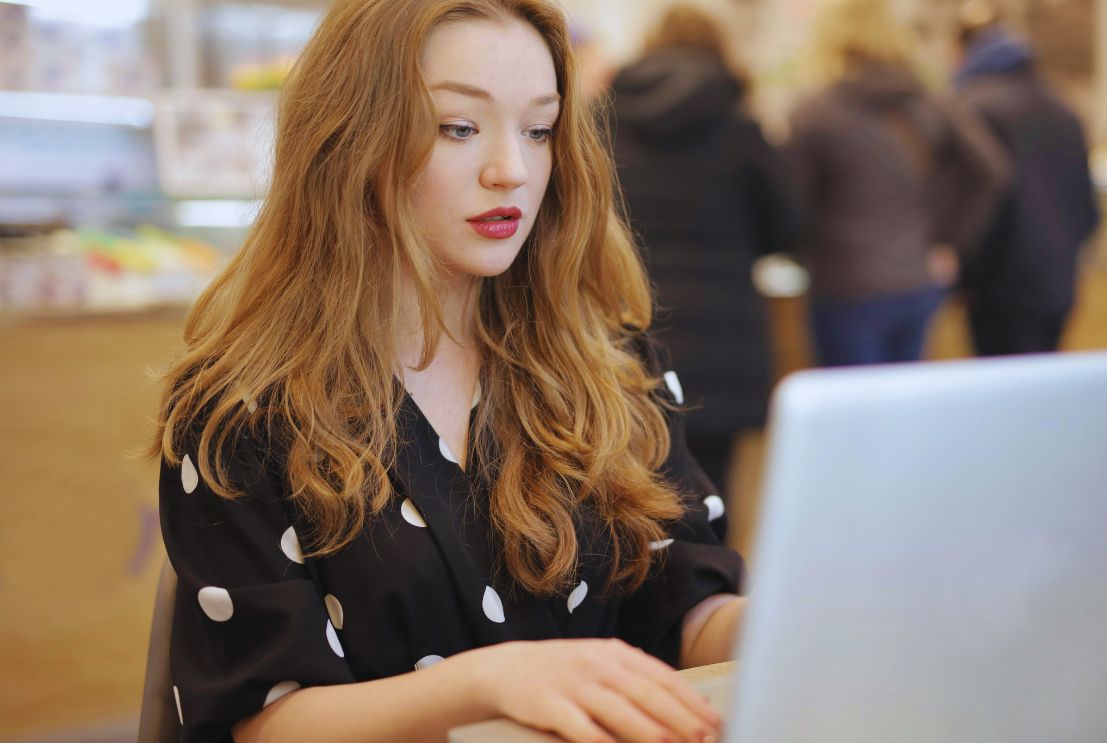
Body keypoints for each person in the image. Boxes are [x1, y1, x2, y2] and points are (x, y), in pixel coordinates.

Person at [149, 1, 745, 742]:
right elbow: (265, 719)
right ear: (351, 139)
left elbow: (685, 605)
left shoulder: (613, 364)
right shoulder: (245, 409)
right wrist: (485, 683)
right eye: (458, 128)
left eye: (539, 129)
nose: (512, 170)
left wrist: (781, 625)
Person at [611, 4, 801, 495]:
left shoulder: (605, 121)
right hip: (724, 336)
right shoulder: (739, 128)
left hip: (631, 329)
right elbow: (790, 226)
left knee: (633, 494)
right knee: (714, 497)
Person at [788, 0, 1008, 367]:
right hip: (916, 280)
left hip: (844, 283)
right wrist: (949, 243)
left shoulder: (815, 112)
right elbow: (991, 170)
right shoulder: (927, 100)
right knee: (904, 408)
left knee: (853, 411)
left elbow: (793, 206)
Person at [953, 4, 1099, 356]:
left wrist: (968, 274)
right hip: (1057, 285)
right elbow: (1088, 209)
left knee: (1002, 397)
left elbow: (975, 203)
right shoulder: (1065, 108)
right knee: (1043, 393)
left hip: (1001, 290)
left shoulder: (973, 106)